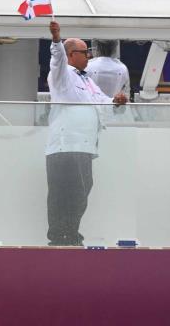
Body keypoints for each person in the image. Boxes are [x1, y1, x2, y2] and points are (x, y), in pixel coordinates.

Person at [45, 20, 127, 246]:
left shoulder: (87, 80)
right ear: (71, 54)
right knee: (63, 193)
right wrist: (56, 39)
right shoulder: (62, 75)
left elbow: (102, 101)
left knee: (82, 189)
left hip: (85, 146)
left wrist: (116, 101)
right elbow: (57, 60)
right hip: (65, 144)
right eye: (84, 52)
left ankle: (70, 231)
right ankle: (59, 236)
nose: (89, 56)